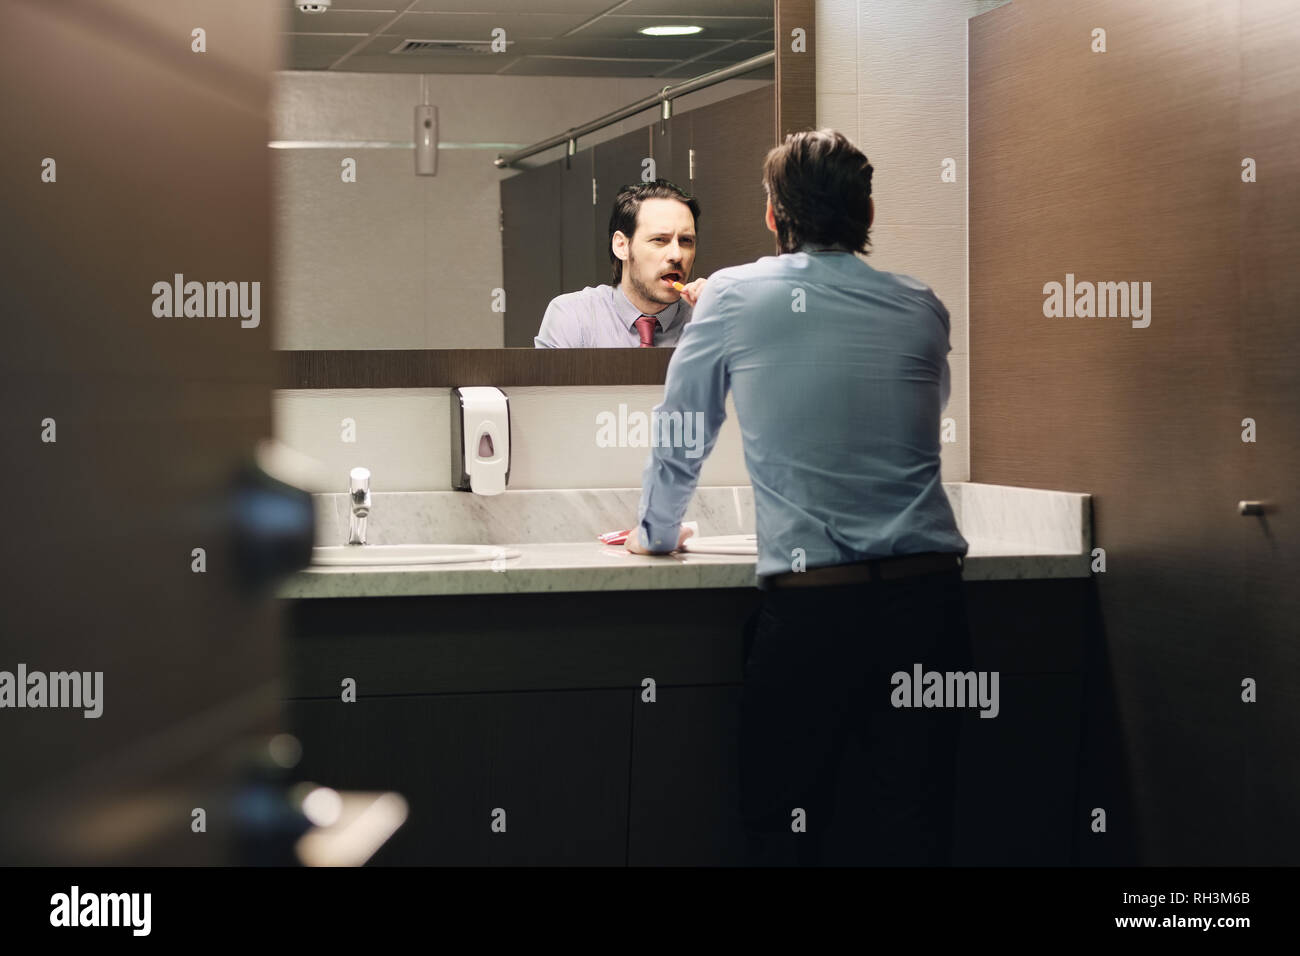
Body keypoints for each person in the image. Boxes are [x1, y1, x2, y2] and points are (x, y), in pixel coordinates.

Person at [625, 129, 971, 866]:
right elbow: (922, 416)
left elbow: (683, 432)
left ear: (775, 217)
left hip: (820, 611)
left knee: (784, 823)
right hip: (933, 605)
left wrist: (655, 533)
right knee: (915, 825)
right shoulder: (922, 305)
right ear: (868, 209)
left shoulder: (732, 295)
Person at [534, 179, 707, 348]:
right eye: (660, 240)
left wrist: (725, 318)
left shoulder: (707, 319)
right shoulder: (573, 316)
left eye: (686, 241)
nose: (676, 255)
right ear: (621, 245)